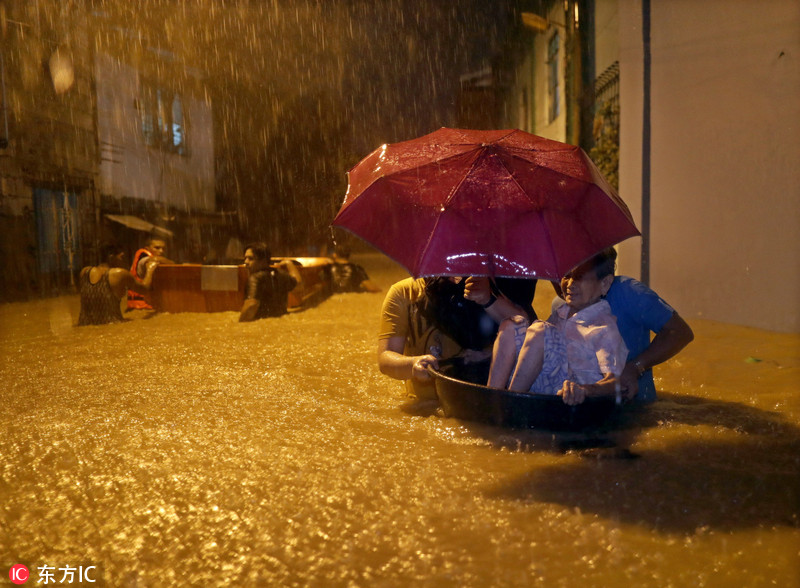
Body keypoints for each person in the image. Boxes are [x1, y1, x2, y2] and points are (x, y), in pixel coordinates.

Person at [487, 249, 628, 406]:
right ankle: (493, 398)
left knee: (540, 329)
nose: (570, 284)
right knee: (512, 324)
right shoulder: (560, 314)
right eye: (566, 276)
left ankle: (511, 404)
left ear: (605, 284)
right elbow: (532, 350)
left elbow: (616, 383)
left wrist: (585, 390)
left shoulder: (604, 328)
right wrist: (485, 353)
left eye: (579, 277)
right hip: (541, 387)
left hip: (570, 401)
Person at [377, 275, 536, 399]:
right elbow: (385, 358)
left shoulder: (488, 286)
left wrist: (489, 300)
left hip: (474, 400)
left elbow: (527, 337)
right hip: (424, 404)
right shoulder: (403, 292)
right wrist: (412, 364)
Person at [601, 248, 694, 402]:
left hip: (636, 409)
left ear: (605, 281)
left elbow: (679, 332)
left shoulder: (628, 293)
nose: (567, 283)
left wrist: (636, 367)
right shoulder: (560, 308)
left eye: (578, 274)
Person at [78, 243, 159, 326]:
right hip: (112, 325)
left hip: (84, 325)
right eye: (121, 257)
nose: (123, 261)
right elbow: (144, 289)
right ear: (111, 258)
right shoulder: (119, 274)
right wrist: (150, 270)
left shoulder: (84, 272)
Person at [239, 242, 302, 322]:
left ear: (263, 261)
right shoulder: (281, 275)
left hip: (260, 326)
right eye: (245, 258)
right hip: (281, 323)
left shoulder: (255, 279)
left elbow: (251, 305)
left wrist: (240, 325)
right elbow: (299, 285)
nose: (246, 262)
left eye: (251, 259)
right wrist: (289, 264)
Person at [127, 236, 174, 311]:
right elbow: (155, 259)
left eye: (163, 248)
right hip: (144, 308)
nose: (161, 251)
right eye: (157, 248)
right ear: (147, 249)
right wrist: (173, 264)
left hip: (138, 308)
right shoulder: (145, 260)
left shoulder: (157, 261)